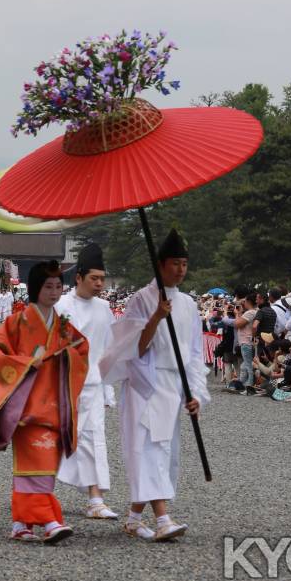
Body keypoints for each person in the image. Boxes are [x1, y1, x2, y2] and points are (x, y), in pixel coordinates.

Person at [99, 229, 210, 542]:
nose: (180, 270)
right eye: (175, 263)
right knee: (146, 448)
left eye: (184, 264)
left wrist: (196, 393)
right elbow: (134, 348)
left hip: (174, 384)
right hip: (146, 383)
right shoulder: (141, 299)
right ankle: (163, 519)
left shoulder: (188, 304)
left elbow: (193, 354)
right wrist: (156, 318)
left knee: (164, 450)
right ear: (160, 264)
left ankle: (135, 518)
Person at [0, 261, 89, 544]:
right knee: (35, 465)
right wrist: (27, 363)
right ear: (35, 289)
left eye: (57, 286)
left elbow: (82, 349)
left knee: (43, 466)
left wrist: (66, 356)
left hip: (53, 403)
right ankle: (49, 520)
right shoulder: (17, 322)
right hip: (26, 407)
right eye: (48, 286)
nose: (54, 292)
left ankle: (21, 522)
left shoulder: (63, 325)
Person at [55, 244, 118, 520]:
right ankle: (37, 492)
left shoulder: (105, 308)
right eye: (94, 278)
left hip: (92, 382)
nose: (100, 284)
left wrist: (108, 388)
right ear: (78, 277)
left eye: (102, 279)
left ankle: (96, 499)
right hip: (61, 383)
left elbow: (107, 351)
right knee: (55, 437)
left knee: (94, 438)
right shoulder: (60, 305)